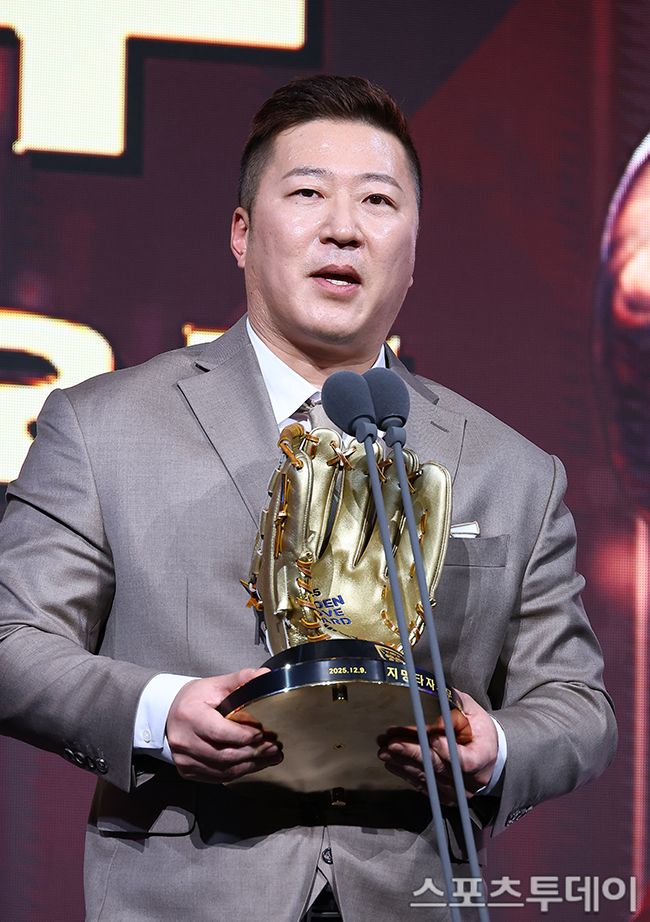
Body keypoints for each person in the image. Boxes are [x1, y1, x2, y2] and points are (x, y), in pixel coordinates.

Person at [0, 75, 616, 922]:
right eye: (307, 194)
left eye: (378, 201)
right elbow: (12, 640)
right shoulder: (103, 426)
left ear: (413, 251)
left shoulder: (512, 469)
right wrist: (158, 713)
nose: (343, 228)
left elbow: (578, 706)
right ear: (241, 233)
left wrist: (495, 747)